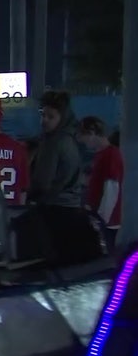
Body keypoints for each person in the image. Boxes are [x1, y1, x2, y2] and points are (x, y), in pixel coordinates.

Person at [28, 90, 82, 207]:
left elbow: (42, 182)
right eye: (43, 115)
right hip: (70, 206)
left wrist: (28, 194)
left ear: (62, 118)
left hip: (53, 208)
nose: (44, 120)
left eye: (51, 117)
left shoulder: (53, 142)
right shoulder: (70, 139)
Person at [78, 116, 123, 248]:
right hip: (100, 217)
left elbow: (112, 188)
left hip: (106, 221)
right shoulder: (102, 154)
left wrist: (102, 218)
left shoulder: (111, 155)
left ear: (92, 133)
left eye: (84, 138)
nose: (84, 143)